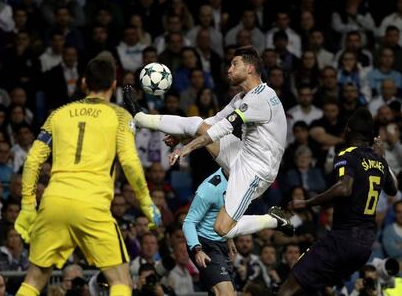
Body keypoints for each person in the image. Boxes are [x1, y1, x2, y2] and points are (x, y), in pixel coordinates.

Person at [14, 52, 161, 296]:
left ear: (83, 83)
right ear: (113, 85)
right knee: (121, 281)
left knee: (34, 280)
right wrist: (146, 202)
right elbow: (130, 162)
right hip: (92, 205)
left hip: (54, 202)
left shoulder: (58, 114)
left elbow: (32, 161)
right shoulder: (120, 116)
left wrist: (28, 206)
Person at [124, 45, 293, 241]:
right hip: (241, 152)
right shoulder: (242, 97)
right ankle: (141, 118)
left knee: (222, 229)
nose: (229, 69)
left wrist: (185, 148)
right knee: (197, 122)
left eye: (234, 64)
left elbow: (218, 131)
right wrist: (182, 136)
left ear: (249, 68)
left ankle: (273, 220)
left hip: (256, 171)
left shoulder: (261, 99)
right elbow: (214, 121)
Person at [277, 107, 398, 296]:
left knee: (289, 287)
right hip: (364, 247)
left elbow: (344, 188)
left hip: (343, 239)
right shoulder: (379, 161)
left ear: (348, 130)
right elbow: (394, 189)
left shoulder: (346, 155)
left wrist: (306, 203)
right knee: (314, 289)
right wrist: (382, 158)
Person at [182, 168, 237, 296]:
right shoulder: (209, 188)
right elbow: (188, 222)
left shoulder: (239, 182)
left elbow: (228, 213)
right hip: (204, 243)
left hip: (221, 243)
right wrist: (197, 250)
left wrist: (229, 238)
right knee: (225, 294)